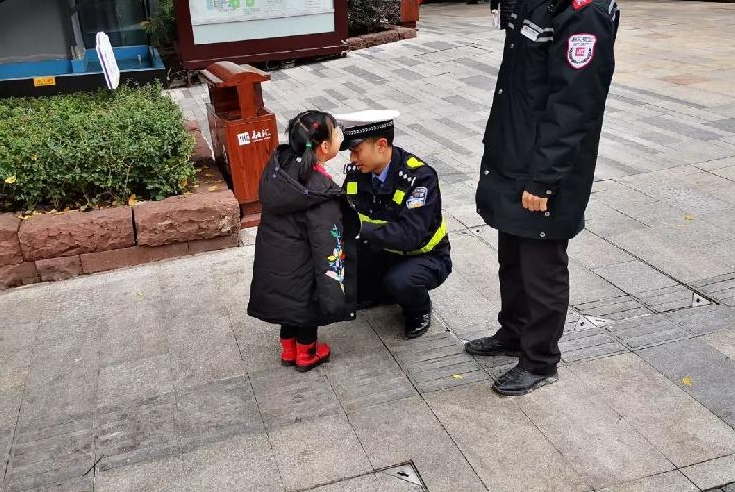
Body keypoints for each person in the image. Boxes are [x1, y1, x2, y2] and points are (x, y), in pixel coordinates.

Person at [466, 0, 619, 395]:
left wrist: (544, 180)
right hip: (515, 154)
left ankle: (540, 360)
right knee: (512, 256)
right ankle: (514, 331)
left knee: (541, 267)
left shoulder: (585, 15)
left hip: (545, 167)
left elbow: (574, 108)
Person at [248, 110, 360, 372]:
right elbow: (326, 244)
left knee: (289, 305)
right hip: (304, 266)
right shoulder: (319, 191)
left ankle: (288, 350)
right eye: (336, 134)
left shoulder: (282, 170)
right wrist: (334, 295)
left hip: (277, 263)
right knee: (307, 309)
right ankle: (307, 354)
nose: (339, 137)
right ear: (324, 147)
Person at [337, 110, 452, 339]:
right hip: (380, 249)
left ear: (381, 145)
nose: (352, 159)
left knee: (401, 281)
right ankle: (375, 292)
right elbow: (344, 209)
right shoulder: (358, 173)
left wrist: (360, 227)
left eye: (357, 151)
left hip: (422, 256)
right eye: (351, 152)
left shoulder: (419, 178)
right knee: (333, 257)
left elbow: (410, 236)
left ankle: (418, 311)